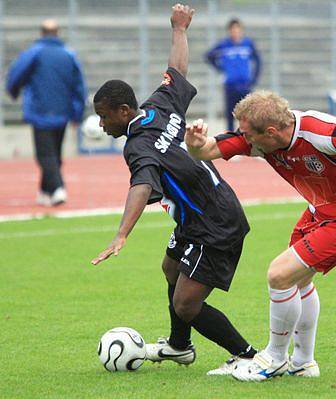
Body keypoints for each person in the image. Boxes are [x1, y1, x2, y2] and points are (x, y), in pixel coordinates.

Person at [185, 90, 336, 381]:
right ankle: (302, 362)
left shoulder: (321, 133)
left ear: (272, 131)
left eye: (248, 134)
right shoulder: (263, 139)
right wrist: (195, 144)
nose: (244, 139)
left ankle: (274, 359)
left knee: (279, 274)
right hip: (322, 209)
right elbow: (206, 151)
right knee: (296, 280)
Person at [90, 4, 256, 375]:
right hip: (199, 215)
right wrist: (179, 28)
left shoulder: (136, 146)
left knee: (186, 304)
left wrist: (121, 235)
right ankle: (179, 347)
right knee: (170, 268)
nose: (100, 124)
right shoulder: (159, 106)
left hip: (215, 222)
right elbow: (177, 70)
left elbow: (143, 184)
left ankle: (249, 356)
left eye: (103, 116)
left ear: (122, 111)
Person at [6, 19, 86, 206]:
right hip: (63, 112)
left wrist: (14, 91)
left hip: (40, 112)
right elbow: (79, 86)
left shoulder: (34, 53)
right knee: (54, 153)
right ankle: (45, 191)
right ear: (57, 33)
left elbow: (16, 74)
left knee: (45, 155)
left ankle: (58, 188)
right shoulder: (69, 55)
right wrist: (77, 113)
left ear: (41, 33)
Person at [205, 18, 261, 131]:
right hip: (230, 84)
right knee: (230, 114)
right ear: (229, 31)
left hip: (245, 84)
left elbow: (258, 61)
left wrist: (254, 79)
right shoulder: (224, 45)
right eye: (233, 29)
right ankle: (230, 139)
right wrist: (221, 68)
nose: (235, 32)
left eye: (237, 29)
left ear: (241, 30)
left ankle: (246, 138)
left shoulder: (248, 44)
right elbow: (209, 56)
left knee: (247, 114)